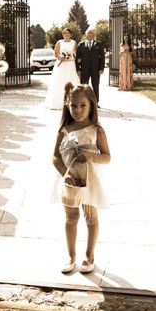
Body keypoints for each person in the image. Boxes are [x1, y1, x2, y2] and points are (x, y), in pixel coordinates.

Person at [52, 83, 111, 274]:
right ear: (67, 105)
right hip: (69, 180)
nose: (77, 110)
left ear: (91, 105)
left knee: (91, 218)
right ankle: (70, 256)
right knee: (71, 217)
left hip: (90, 181)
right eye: (74, 106)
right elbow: (55, 156)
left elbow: (107, 157)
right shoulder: (64, 130)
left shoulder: (97, 130)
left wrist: (92, 156)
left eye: (83, 106)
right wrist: (66, 174)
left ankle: (89, 256)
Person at [45, 28, 80, 110]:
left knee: (71, 80)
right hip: (61, 65)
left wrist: (73, 57)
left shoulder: (74, 43)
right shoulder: (59, 42)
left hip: (71, 64)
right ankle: (59, 102)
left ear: (70, 34)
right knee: (60, 81)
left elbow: (76, 53)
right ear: (63, 34)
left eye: (68, 33)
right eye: (64, 33)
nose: (66, 34)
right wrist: (60, 58)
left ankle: (72, 102)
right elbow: (55, 53)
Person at [76, 28, 106, 105]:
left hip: (95, 70)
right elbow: (77, 58)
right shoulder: (81, 45)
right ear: (85, 35)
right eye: (88, 33)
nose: (89, 34)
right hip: (84, 70)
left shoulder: (99, 44)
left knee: (95, 86)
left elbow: (102, 57)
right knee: (84, 87)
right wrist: (78, 69)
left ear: (94, 35)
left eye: (91, 33)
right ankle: (84, 103)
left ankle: (96, 102)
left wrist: (101, 68)